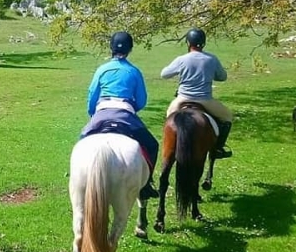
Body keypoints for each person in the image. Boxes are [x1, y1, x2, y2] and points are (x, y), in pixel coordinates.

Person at [80, 31, 160, 200]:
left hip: (102, 112)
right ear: (130, 49)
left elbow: (92, 94)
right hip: (125, 113)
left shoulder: (102, 69)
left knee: (82, 139)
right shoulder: (134, 71)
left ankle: (79, 175)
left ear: (111, 47)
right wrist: (132, 109)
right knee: (152, 145)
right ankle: (146, 185)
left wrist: (92, 113)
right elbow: (142, 100)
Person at [160, 28, 233, 159]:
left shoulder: (182, 59)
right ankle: (218, 148)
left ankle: (169, 145)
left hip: (182, 98)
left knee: (170, 119)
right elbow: (222, 77)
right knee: (227, 116)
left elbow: (164, 74)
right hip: (205, 100)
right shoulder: (211, 59)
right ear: (203, 43)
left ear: (188, 43)